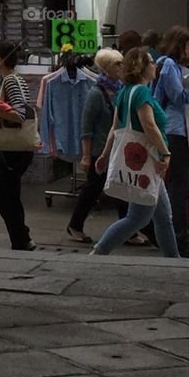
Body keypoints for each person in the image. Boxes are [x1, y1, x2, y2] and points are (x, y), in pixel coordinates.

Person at [92, 47, 179, 258]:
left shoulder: (124, 92)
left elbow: (115, 128)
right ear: (142, 68)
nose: (155, 65)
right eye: (151, 62)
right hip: (148, 161)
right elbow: (149, 125)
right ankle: (99, 251)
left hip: (144, 162)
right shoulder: (141, 92)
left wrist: (105, 155)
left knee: (163, 217)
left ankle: (174, 260)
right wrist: (165, 153)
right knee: (138, 218)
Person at [155, 26, 189, 258]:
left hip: (177, 130)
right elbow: (178, 96)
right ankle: (178, 236)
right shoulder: (169, 65)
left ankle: (175, 233)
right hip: (174, 129)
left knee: (186, 184)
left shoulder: (170, 66)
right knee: (181, 184)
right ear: (180, 45)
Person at [0, 41, 36, 252]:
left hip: (13, 149)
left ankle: (21, 237)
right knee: (9, 193)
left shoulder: (11, 81)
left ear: (0, 60)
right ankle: (21, 238)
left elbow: (19, 115)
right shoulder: (15, 80)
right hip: (18, 149)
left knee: (0, 193)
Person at [66, 47, 123, 245]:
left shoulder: (118, 90)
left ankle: (129, 229)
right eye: (118, 64)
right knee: (93, 190)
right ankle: (75, 225)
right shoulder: (96, 93)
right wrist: (86, 156)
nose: (122, 67)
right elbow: (86, 127)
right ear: (106, 69)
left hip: (116, 150)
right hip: (100, 152)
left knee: (121, 189)